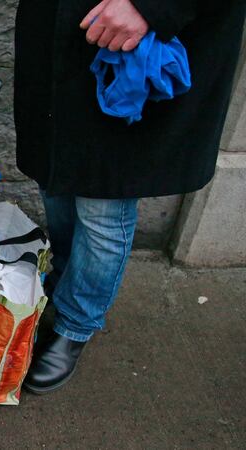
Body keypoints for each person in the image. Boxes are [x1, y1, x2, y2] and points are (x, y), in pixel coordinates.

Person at [15, 0, 246, 394]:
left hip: (131, 44)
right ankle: (63, 285)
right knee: (55, 183)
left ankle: (76, 323)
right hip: (59, 31)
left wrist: (150, 7)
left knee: (103, 203)